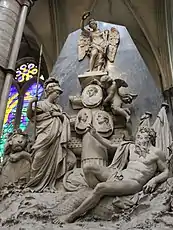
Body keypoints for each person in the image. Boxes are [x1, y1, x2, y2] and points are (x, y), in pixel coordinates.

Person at [62, 125, 169, 222]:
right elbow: (111, 145)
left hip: (134, 182)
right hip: (119, 175)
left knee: (101, 187)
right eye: (138, 136)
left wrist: (154, 180)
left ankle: (73, 215)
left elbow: (166, 171)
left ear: (149, 138)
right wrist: (95, 134)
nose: (139, 139)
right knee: (88, 167)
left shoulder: (156, 153)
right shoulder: (131, 147)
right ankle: (98, 196)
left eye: (142, 137)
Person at [26, 77, 76, 192]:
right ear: (50, 92)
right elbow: (30, 115)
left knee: (54, 160)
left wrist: (58, 115)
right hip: (44, 135)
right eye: (57, 93)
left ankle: (49, 184)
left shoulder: (58, 107)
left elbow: (64, 118)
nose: (58, 96)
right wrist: (30, 103)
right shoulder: (41, 104)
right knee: (39, 156)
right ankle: (33, 184)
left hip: (56, 137)